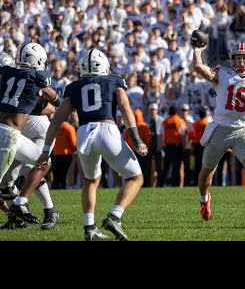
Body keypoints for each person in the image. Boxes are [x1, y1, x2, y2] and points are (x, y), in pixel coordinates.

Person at [10, 49, 148, 241]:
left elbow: (56, 121)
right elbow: (125, 109)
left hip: (83, 134)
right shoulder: (114, 81)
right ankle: (115, 216)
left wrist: (45, 152)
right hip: (107, 130)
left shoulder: (74, 87)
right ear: (104, 67)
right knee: (135, 178)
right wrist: (137, 140)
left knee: (90, 182)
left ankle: (89, 227)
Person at [192, 40, 245, 223]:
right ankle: (204, 200)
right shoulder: (222, 73)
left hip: (241, 131)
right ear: (232, 59)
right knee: (207, 172)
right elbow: (198, 67)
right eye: (237, 58)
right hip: (220, 129)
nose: (240, 61)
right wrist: (197, 50)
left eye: (243, 58)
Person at [0, 43, 61, 226]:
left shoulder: (13, 76)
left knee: (34, 166)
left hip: (34, 132)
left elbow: (51, 106)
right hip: (11, 134)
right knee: (5, 183)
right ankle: (17, 213)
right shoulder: (28, 77)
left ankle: (46, 209)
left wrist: (31, 103)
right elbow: (56, 100)